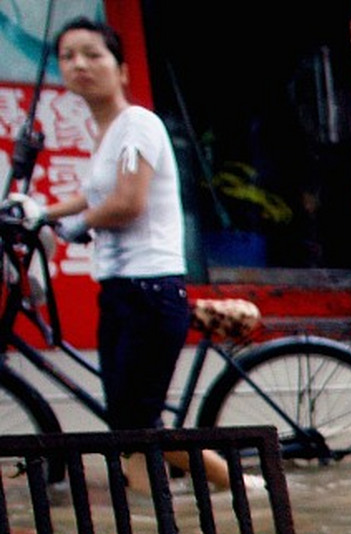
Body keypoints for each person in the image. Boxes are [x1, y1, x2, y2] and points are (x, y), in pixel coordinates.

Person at [41, 18, 231, 489]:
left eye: (92, 54)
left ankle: (249, 489)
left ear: (122, 70)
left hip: (150, 289)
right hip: (121, 291)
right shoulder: (107, 136)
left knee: (142, 426)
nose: (79, 64)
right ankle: (149, 524)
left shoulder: (138, 124)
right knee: (127, 429)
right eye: (68, 57)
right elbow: (91, 195)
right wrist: (38, 214)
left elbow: (127, 201)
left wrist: (76, 226)